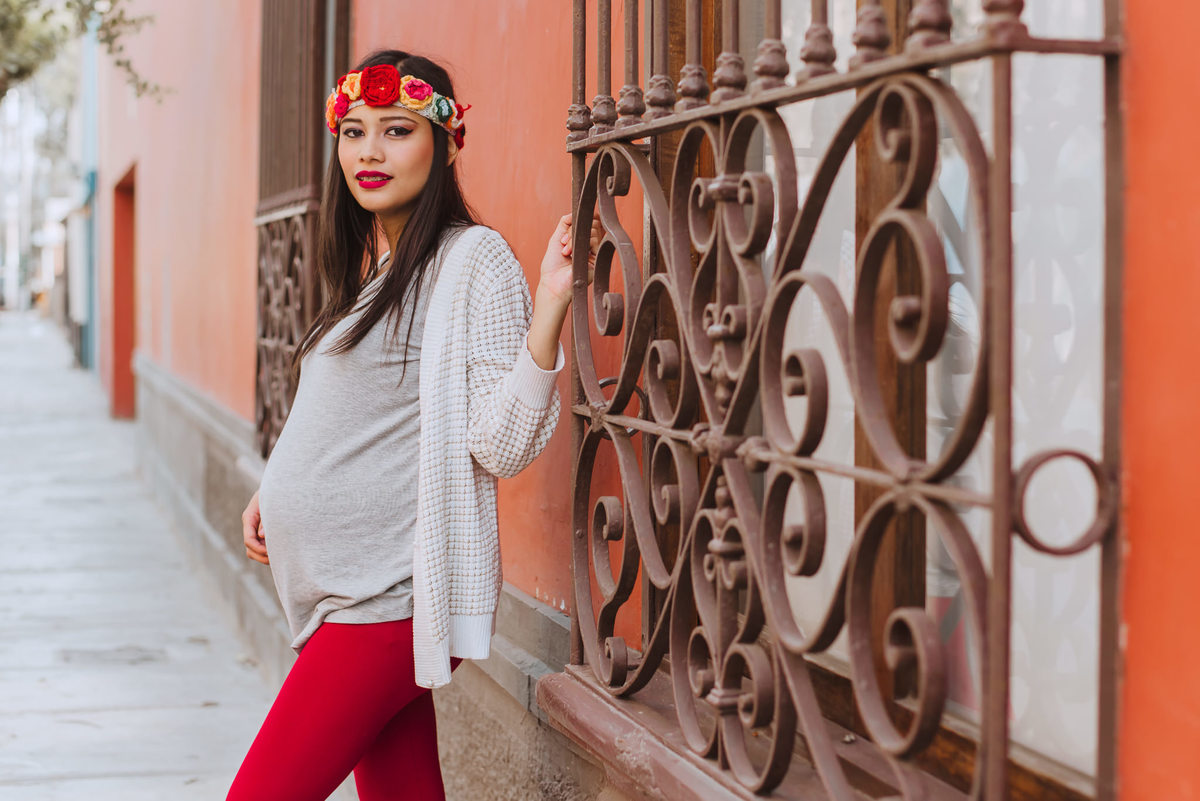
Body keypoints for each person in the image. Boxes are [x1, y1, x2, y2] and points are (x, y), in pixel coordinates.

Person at [226, 50, 598, 801]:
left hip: (385, 603)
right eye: (354, 131)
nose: (370, 151)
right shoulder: (381, 271)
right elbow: (359, 414)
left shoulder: (472, 259)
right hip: (353, 600)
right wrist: (276, 487)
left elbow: (500, 443)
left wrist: (550, 308)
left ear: (447, 143)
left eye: (397, 130)